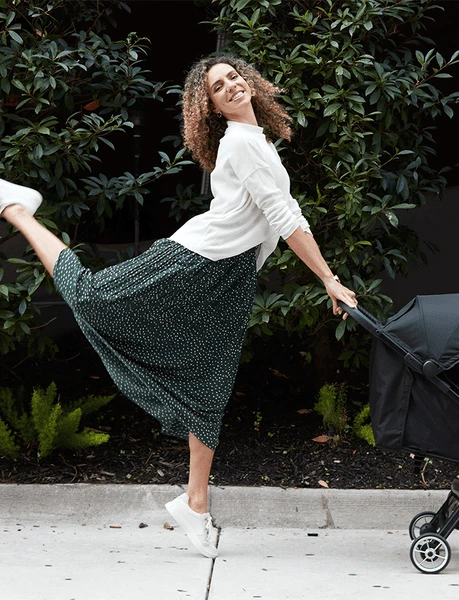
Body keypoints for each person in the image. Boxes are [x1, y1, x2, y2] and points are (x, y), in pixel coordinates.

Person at [0, 54, 357, 558]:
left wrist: (327, 276)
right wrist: (328, 279)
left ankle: (195, 504)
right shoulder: (240, 143)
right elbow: (282, 217)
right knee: (92, 297)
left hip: (230, 277)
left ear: (250, 83)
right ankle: (17, 208)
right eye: (217, 87)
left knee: (210, 386)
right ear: (210, 106)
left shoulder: (258, 141)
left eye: (233, 77)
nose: (230, 86)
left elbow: (288, 209)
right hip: (195, 260)